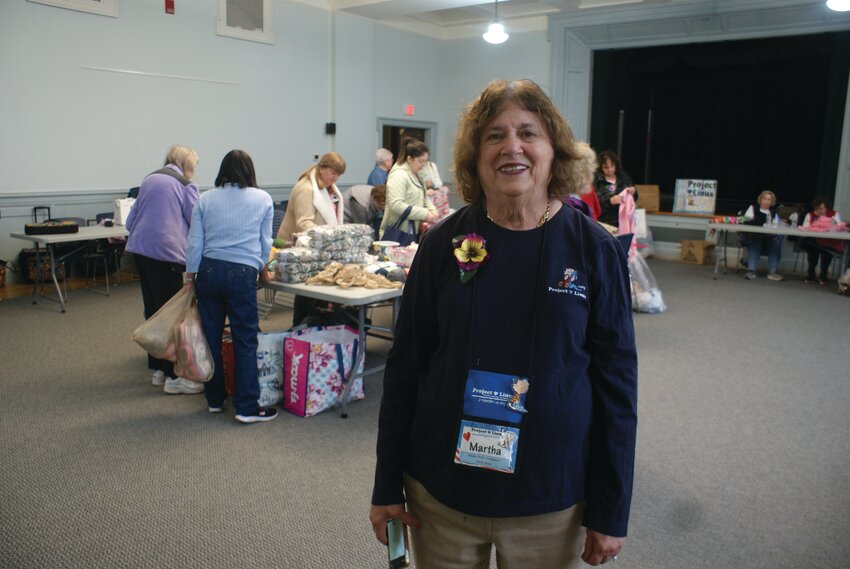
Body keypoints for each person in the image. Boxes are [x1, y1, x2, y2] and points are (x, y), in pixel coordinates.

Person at [369, 79, 638, 568]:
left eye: (528, 132)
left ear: (554, 150)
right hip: (443, 498)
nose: (511, 146)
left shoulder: (593, 249)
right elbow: (405, 370)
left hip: (551, 500)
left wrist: (612, 507)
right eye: (494, 135)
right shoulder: (442, 245)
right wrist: (387, 482)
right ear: (475, 156)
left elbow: (618, 385)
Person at [184, 149, 277, 424]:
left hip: (209, 271)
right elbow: (265, 242)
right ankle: (247, 406)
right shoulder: (262, 198)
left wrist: (190, 275)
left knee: (210, 337)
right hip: (242, 272)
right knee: (244, 339)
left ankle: (214, 400)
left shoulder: (205, 199)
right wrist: (261, 267)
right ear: (250, 171)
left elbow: (194, 242)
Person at [125, 144, 203, 396]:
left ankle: (157, 369)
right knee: (173, 313)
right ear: (187, 163)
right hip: (168, 254)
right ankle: (173, 376)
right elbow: (197, 221)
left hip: (140, 250)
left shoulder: (149, 179)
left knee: (153, 309)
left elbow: (130, 220)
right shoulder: (184, 185)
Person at [277, 152, 346, 326]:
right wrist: (328, 238)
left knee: (318, 293)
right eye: (333, 173)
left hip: (318, 248)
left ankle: (315, 329)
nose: (336, 178)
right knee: (307, 293)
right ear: (322, 168)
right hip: (298, 248)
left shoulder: (326, 187)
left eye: (338, 175)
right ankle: (299, 329)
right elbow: (304, 223)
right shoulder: (306, 188)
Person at [379, 139, 438, 240]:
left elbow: (423, 196)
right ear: (409, 159)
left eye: (425, 161)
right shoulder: (399, 175)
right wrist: (425, 214)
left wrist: (432, 210)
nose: (424, 165)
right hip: (397, 232)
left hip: (411, 230)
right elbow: (396, 204)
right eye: (420, 161)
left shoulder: (416, 175)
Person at [741, 190, 783, 281]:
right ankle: (751, 271)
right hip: (754, 235)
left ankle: (772, 272)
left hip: (768, 237)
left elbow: (776, 227)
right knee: (755, 242)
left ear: (772, 202)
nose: (767, 201)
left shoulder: (773, 213)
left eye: (769, 199)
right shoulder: (752, 208)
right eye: (765, 198)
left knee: (775, 243)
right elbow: (746, 221)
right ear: (760, 199)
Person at [800, 196, 844, 285]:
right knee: (812, 252)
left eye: (821, 208)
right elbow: (805, 228)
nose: (820, 211)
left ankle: (823, 276)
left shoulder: (834, 214)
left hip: (828, 242)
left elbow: (839, 227)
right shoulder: (810, 215)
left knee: (827, 254)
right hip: (814, 241)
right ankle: (811, 275)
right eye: (817, 208)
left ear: (826, 207)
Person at [593, 150, 637, 227]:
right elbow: (594, 203)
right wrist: (609, 201)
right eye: (606, 167)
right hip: (604, 223)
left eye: (612, 166)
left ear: (616, 164)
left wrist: (633, 193)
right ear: (600, 167)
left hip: (624, 221)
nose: (610, 169)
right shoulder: (596, 181)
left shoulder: (623, 178)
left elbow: (635, 197)